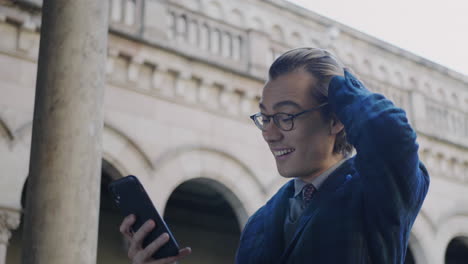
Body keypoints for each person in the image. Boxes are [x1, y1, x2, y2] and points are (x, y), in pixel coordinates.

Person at [119, 48, 430, 264]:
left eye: (286, 117)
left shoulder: (377, 194)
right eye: (264, 117)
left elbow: (391, 132)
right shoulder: (259, 223)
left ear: (336, 119)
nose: (269, 133)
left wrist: (342, 84)